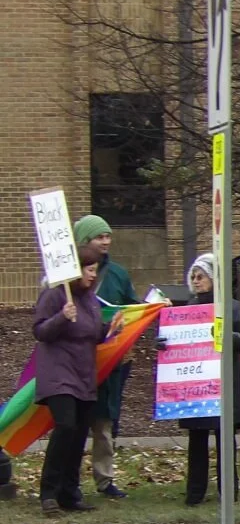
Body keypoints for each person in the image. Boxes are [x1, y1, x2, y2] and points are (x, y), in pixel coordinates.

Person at [32, 244, 112, 515]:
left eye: (95, 271)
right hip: (59, 375)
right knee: (65, 426)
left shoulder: (89, 299)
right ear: (75, 269)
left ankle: (70, 492)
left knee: (78, 434)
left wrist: (109, 330)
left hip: (84, 376)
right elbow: (41, 331)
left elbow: (91, 332)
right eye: (89, 270)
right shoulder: (55, 295)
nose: (93, 276)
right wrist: (61, 318)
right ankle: (49, 492)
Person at [176, 254, 240, 506]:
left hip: (224, 385)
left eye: (201, 276)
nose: (196, 281)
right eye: (193, 276)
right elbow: (179, 343)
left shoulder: (230, 308)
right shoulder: (188, 310)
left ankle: (229, 491)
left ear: (213, 279)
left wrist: (229, 335)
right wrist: (165, 344)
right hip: (197, 386)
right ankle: (195, 493)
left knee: (225, 440)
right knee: (197, 439)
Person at [74, 214, 136, 499]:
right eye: (100, 236)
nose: (106, 242)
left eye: (108, 236)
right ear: (85, 240)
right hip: (75, 362)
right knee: (72, 425)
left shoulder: (118, 274)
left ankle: (104, 479)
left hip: (112, 361)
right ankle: (68, 480)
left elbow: (133, 308)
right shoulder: (66, 278)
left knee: (105, 421)